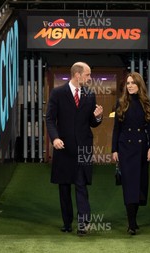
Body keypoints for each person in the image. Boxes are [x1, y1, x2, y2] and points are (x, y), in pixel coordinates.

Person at [46, 62, 104, 236]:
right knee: (64, 187)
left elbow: (91, 123)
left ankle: (83, 223)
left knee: (81, 184)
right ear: (77, 75)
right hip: (63, 147)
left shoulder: (90, 94)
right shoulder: (57, 93)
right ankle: (67, 222)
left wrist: (98, 117)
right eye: (87, 75)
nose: (89, 78)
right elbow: (50, 119)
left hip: (84, 147)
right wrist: (55, 138)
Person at [112, 72, 150, 235]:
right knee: (129, 185)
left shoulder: (148, 103)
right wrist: (114, 149)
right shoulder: (121, 103)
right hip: (125, 149)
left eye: (133, 83)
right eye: (128, 83)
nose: (129, 85)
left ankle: (134, 219)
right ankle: (131, 223)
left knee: (139, 185)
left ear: (139, 85)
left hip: (141, 149)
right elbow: (116, 129)